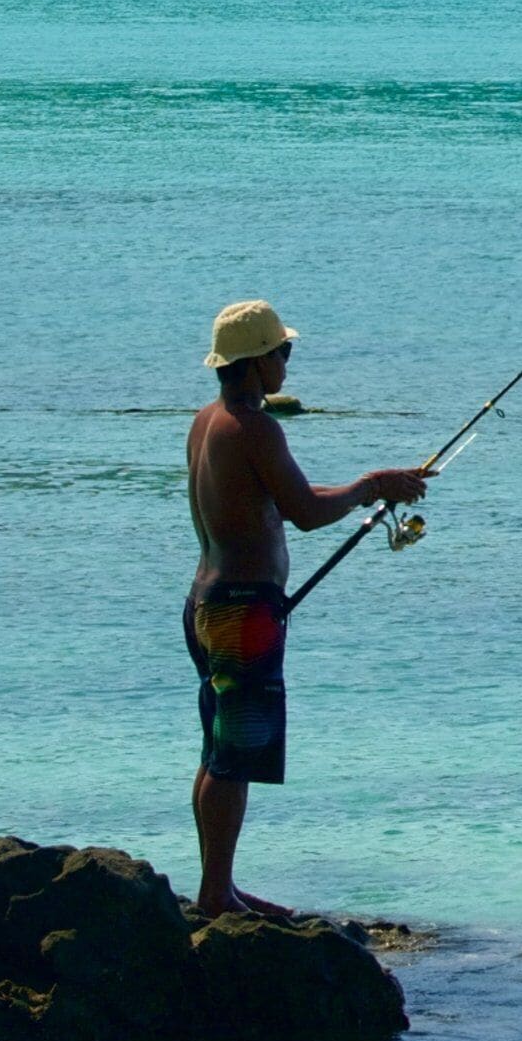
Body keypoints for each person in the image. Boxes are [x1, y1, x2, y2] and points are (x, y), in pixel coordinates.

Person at [183, 300, 430, 917]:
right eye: (283, 353)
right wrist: (373, 486)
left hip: (206, 605)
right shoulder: (254, 427)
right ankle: (216, 895)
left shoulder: (207, 422)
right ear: (255, 361)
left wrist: (371, 484)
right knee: (231, 756)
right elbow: (306, 511)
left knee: (219, 751)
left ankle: (220, 886)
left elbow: (293, 496)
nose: (288, 363)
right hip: (242, 613)